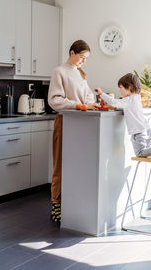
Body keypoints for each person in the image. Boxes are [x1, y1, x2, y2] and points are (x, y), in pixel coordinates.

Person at [48, 40, 100, 223]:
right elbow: (55, 100)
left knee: (77, 165)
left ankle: (73, 204)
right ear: (72, 53)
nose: (83, 61)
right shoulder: (59, 71)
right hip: (64, 121)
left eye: (86, 59)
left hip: (81, 123)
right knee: (60, 165)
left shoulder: (80, 74)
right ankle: (56, 204)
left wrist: (89, 103)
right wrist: (79, 105)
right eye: (82, 57)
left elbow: (88, 96)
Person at [95, 73, 151, 160]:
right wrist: (113, 107)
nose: (119, 91)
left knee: (140, 153)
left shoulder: (129, 100)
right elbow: (128, 109)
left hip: (138, 132)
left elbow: (113, 101)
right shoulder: (136, 98)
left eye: (120, 88)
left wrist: (101, 94)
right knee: (147, 152)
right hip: (145, 129)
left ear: (129, 88)